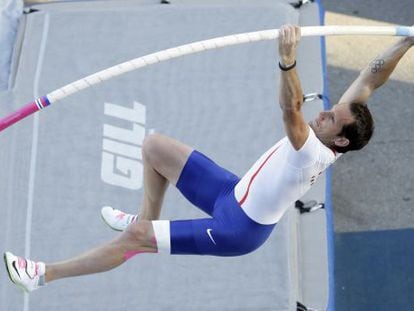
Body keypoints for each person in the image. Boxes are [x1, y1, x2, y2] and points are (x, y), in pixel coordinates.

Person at [4, 25, 413, 293]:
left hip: (237, 228)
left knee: (135, 243)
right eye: (331, 111)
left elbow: (289, 109)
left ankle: (42, 275)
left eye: (330, 119)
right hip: (231, 193)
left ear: (339, 142)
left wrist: (287, 59)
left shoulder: (312, 151)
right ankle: (146, 217)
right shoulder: (336, 128)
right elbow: (372, 77)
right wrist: (407, 40)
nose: (324, 112)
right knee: (154, 147)